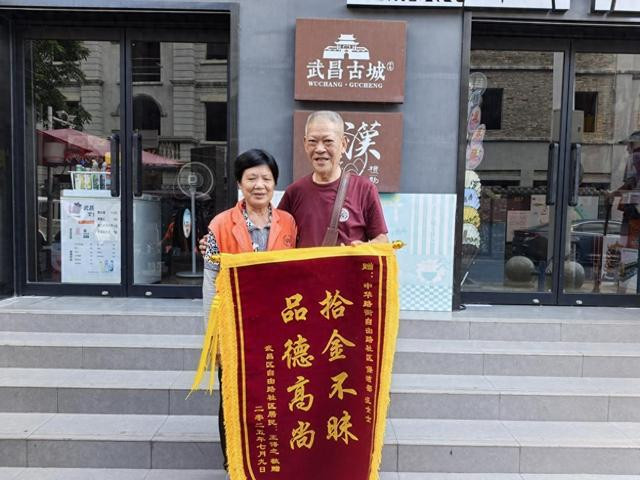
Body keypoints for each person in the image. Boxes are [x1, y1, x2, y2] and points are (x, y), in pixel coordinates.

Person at [201, 148, 296, 474]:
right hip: (234, 328)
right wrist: (212, 336)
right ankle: (234, 464)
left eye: (266, 178)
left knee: (272, 394)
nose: (259, 185)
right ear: (240, 183)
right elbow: (209, 280)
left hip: (276, 329)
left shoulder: (288, 223)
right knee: (233, 396)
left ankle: (268, 461)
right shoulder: (219, 224)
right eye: (251, 178)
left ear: (275, 183)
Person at [278, 110, 388, 246]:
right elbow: (277, 237)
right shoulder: (294, 192)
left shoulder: (364, 189)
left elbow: (382, 240)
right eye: (312, 141)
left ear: (343, 144)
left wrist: (364, 248)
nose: (319, 149)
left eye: (328, 141)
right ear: (305, 144)